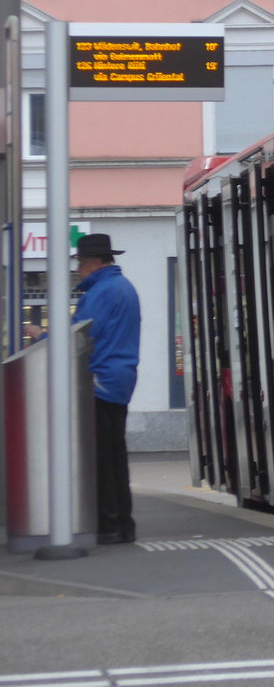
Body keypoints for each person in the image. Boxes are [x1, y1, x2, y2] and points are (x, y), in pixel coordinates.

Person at [25, 233, 142, 544]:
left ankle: (110, 524)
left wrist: (40, 336)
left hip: (100, 380)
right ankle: (122, 524)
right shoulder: (122, 287)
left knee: (101, 458)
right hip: (119, 378)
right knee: (114, 455)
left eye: (80, 263)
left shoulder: (101, 292)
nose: (77, 269)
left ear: (94, 262)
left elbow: (79, 335)